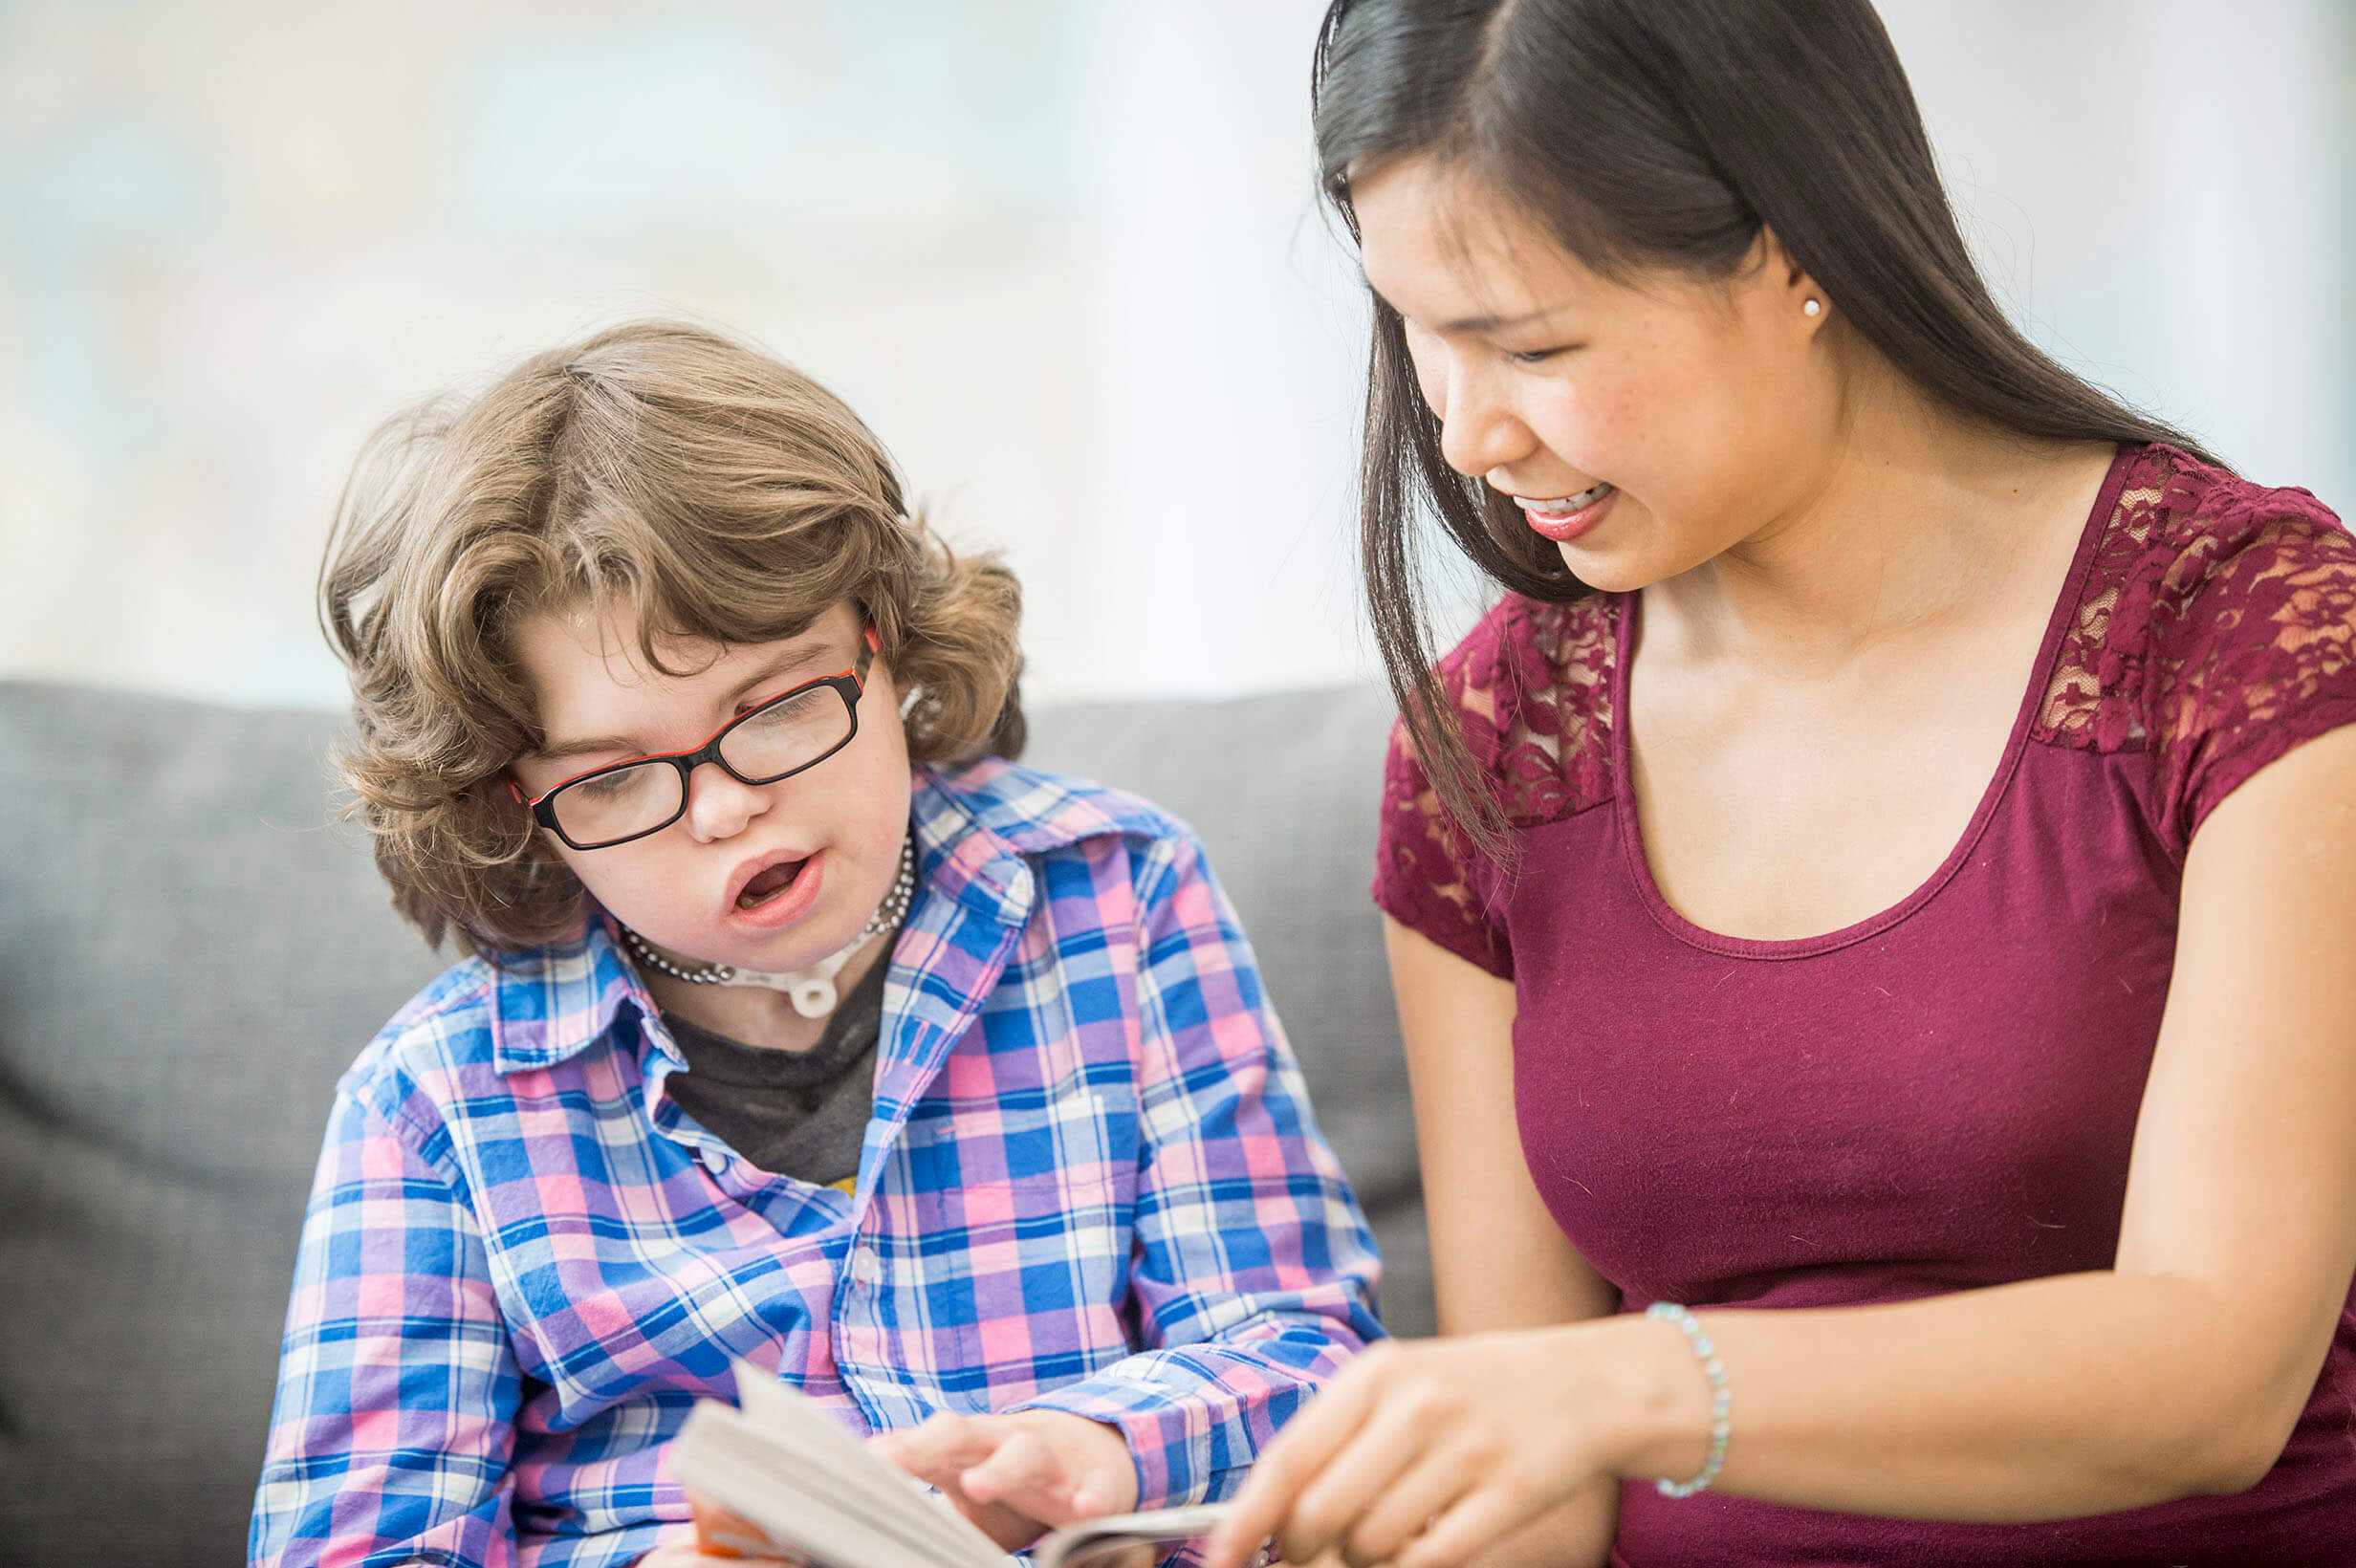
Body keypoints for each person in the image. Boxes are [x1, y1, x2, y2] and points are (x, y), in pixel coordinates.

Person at [1202, 2, 2356, 1566]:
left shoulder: (2247, 632)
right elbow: (1532, 1494)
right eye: (1419, 328)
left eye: (1534, 344)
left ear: (1793, 248)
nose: (1467, 434)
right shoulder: (1496, 738)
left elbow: (2213, 1374)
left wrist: (1630, 1381)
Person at [247, 320, 1380, 1568]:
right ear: (523, 807)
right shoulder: (437, 1108)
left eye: (777, 708)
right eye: (615, 778)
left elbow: (1305, 1349)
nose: (727, 807)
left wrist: (1099, 1448)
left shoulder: (1116, 898)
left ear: (882, 645)